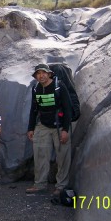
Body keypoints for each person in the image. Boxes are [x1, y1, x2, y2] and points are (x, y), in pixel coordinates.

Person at [26, 63, 72, 196]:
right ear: (35, 76)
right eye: (38, 73)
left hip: (59, 124)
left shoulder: (59, 86)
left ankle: (61, 186)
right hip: (43, 124)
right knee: (40, 154)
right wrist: (30, 128)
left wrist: (65, 129)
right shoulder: (36, 89)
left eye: (43, 72)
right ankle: (39, 184)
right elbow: (34, 110)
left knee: (63, 156)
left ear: (49, 74)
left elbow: (68, 108)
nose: (41, 75)